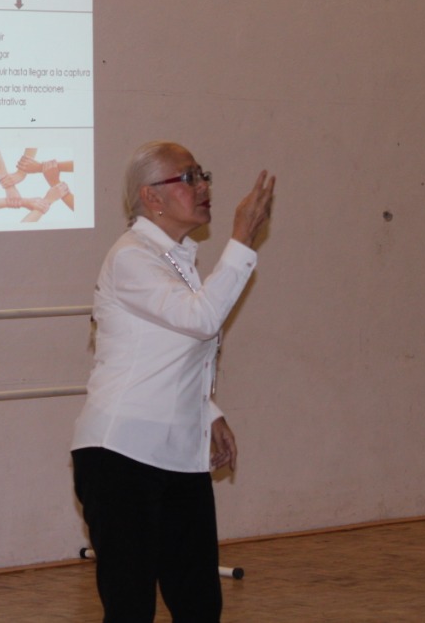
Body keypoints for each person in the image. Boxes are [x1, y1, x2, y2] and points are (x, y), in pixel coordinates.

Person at [71, 140, 275, 622]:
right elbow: (201, 319)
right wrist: (241, 240)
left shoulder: (176, 259)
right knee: (130, 608)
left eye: (203, 175)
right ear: (151, 197)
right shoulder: (130, 256)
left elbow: (171, 351)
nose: (203, 187)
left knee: (199, 604)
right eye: (188, 177)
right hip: (120, 455)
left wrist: (210, 412)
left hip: (178, 454)